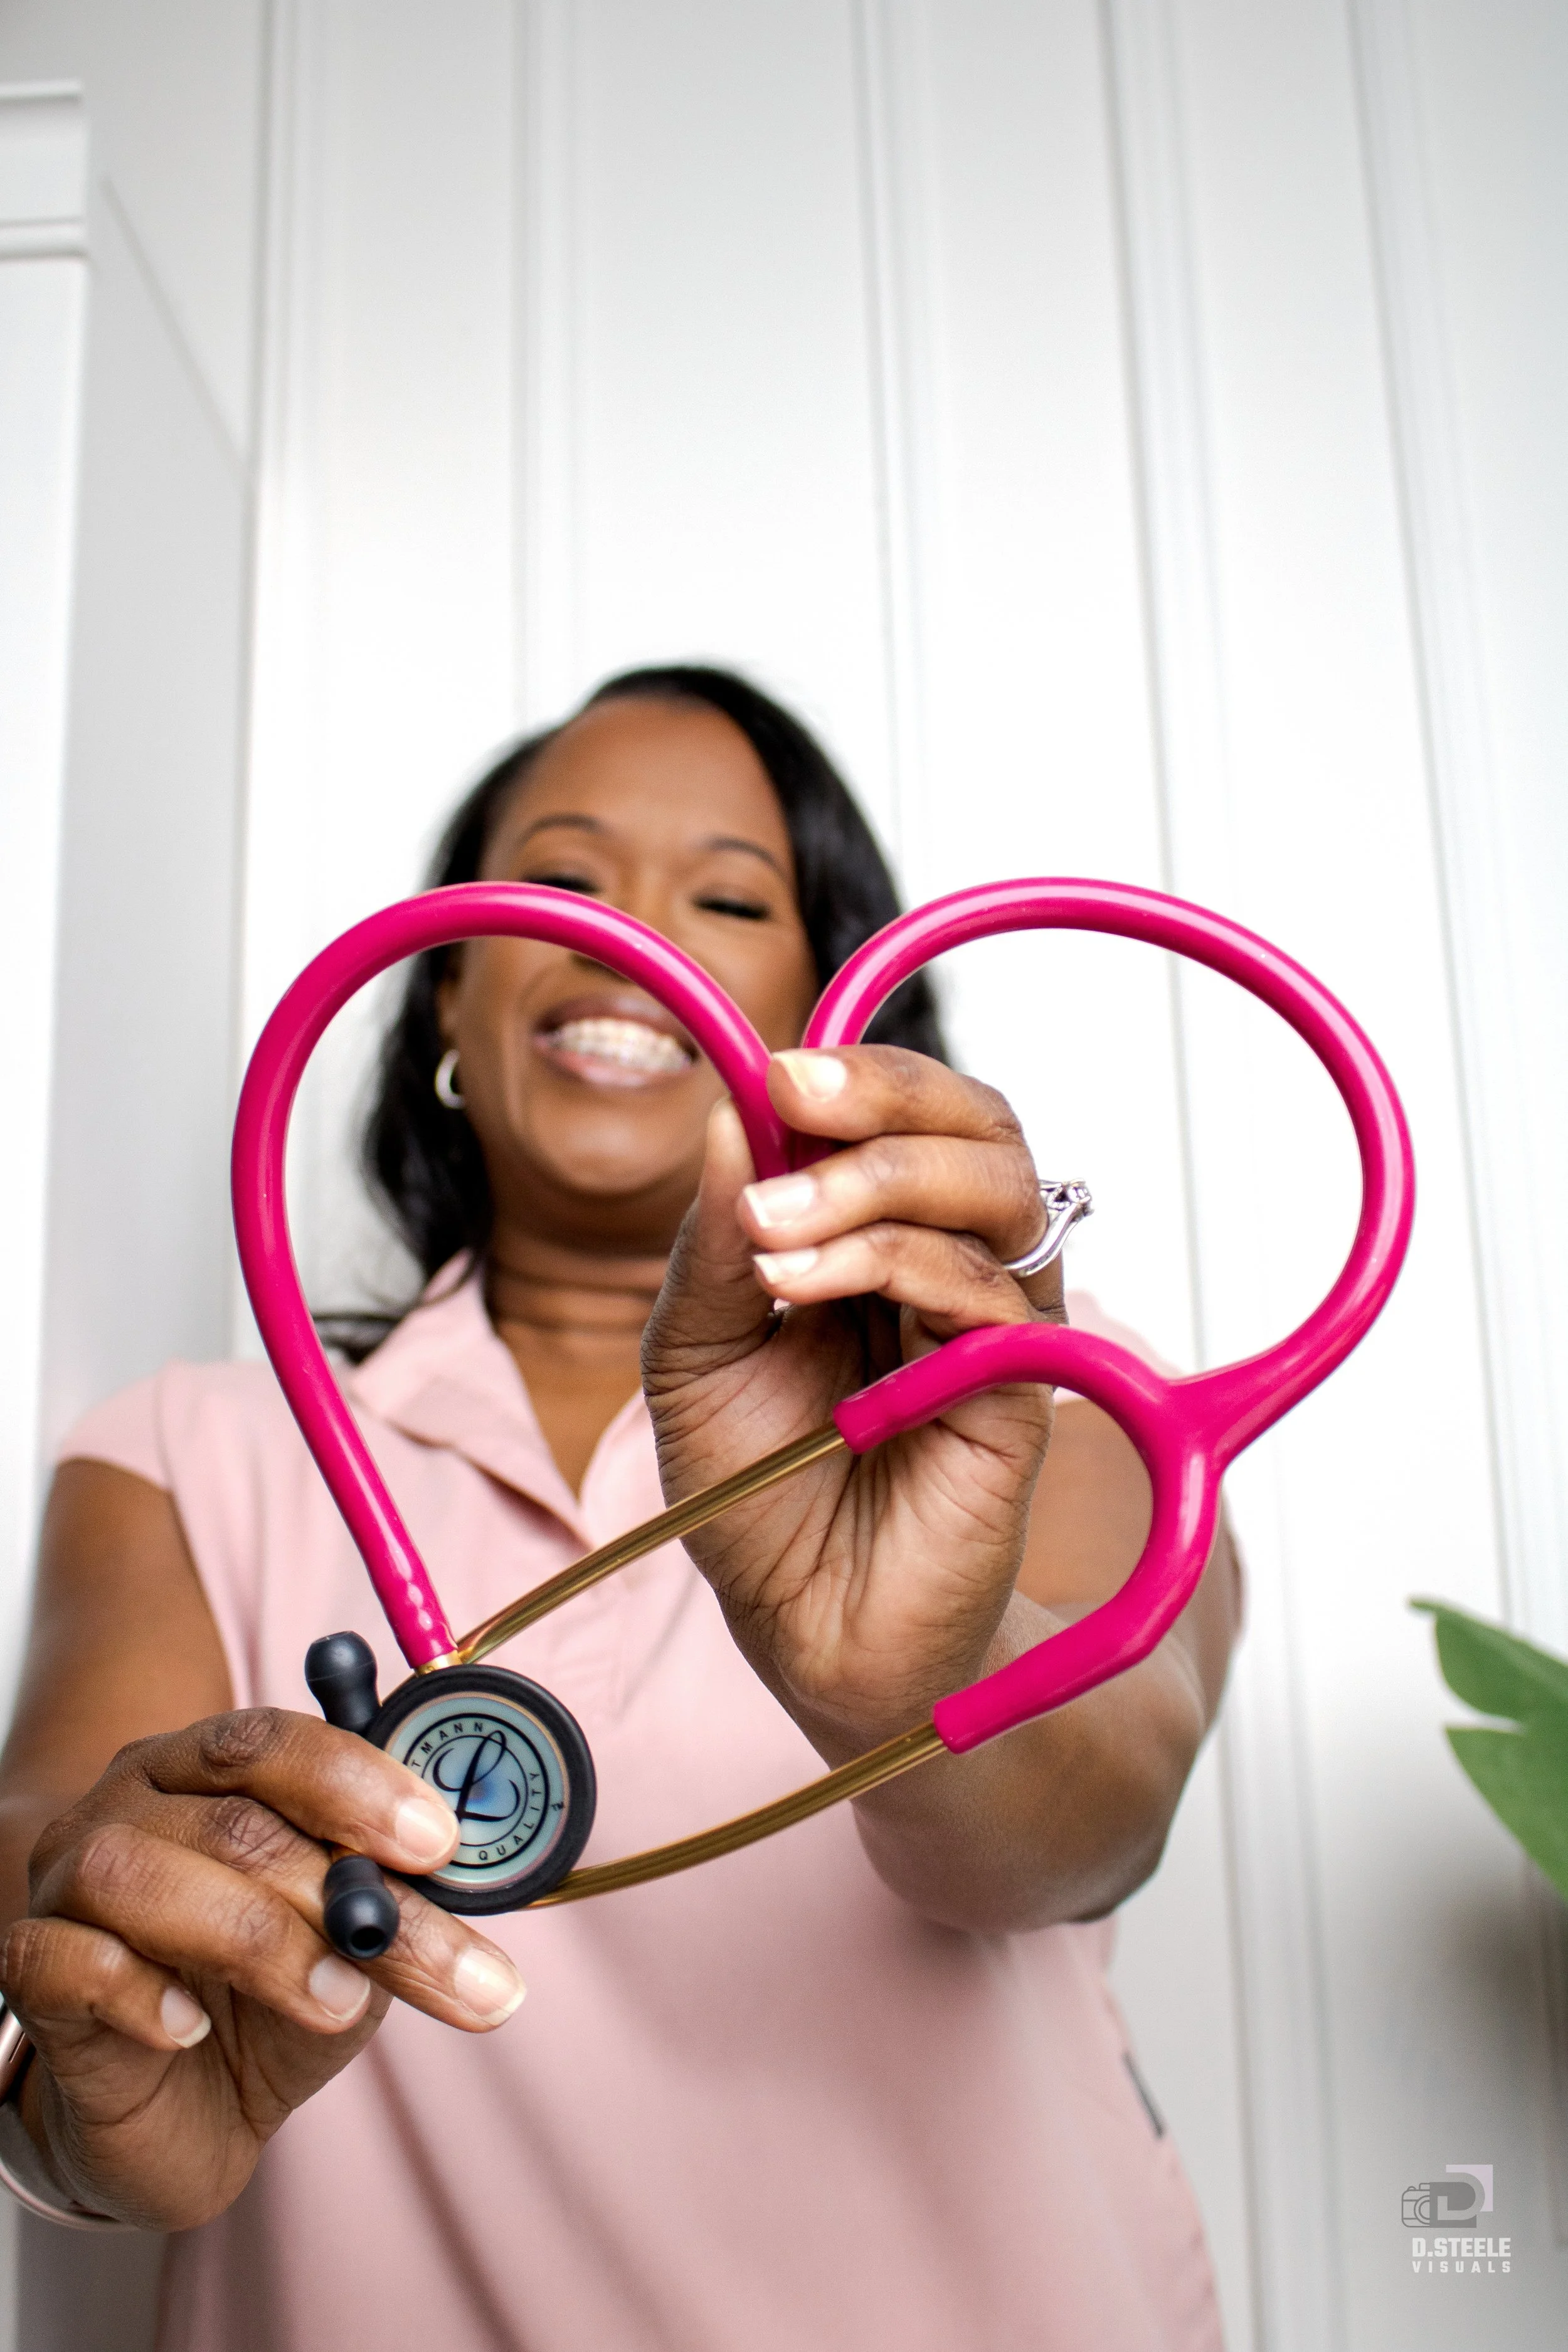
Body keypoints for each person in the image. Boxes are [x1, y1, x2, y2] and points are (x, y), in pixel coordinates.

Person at [0, 667, 1239, 2350]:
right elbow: (42, 1983)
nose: (623, 940)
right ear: (448, 987)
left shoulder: (1037, 1394)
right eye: (561, 884)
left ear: (831, 1009)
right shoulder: (179, 1452)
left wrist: (904, 1674)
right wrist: (86, 2114)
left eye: (727, 896)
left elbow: (1107, 1821)